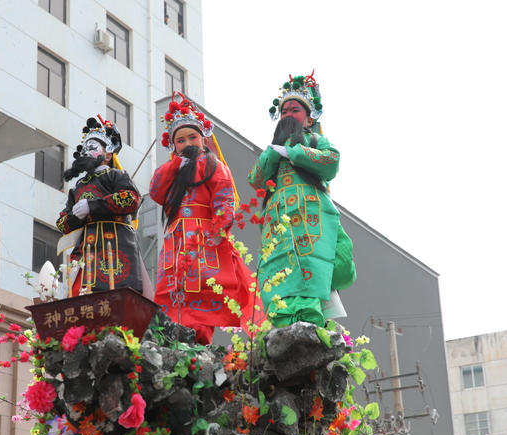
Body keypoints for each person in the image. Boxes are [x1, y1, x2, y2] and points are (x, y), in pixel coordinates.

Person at [248, 72, 356, 328]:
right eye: (284, 111)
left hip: (310, 214)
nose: (288, 115)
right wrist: (275, 153)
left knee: (309, 259)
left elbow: (331, 161)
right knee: (279, 263)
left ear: (308, 117)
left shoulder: (316, 141)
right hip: (277, 215)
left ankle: (308, 316)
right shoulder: (271, 149)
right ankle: (280, 317)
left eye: (294, 110)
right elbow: (255, 179)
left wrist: (293, 151)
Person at [150, 93, 258, 344]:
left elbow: (224, 203)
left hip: (203, 238)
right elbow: (155, 191)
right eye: (180, 140)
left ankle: (198, 342)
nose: (187, 143)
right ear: (172, 145)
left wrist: (216, 234)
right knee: (173, 291)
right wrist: (176, 164)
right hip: (175, 240)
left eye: (192, 137)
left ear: (203, 138)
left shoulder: (214, 165)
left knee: (203, 289)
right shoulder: (172, 169)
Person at [56, 117, 147, 297]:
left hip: (116, 242)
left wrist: (93, 206)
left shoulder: (116, 175)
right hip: (85, 248)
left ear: (107, 155)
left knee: (116, 293)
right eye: (85, 149)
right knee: (80, 293)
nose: (87, 152)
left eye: (93, 148)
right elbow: (62, 223)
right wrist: (76, 216)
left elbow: (131, 198)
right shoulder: (77, 188)